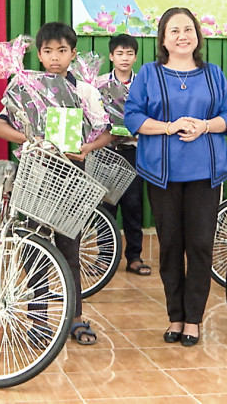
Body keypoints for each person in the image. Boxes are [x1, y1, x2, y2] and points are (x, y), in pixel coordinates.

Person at [0, 21, 112, 345]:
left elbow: (106, 132)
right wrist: (32, 139)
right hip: (35, 175)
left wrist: (86, 147)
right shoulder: (26, 87)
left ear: (74, 53)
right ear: (39, 55)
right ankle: (38, 317)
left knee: (69, 251)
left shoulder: (85, 90)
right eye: (48, 51)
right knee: (33, 249)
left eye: (62, 50)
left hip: (73, 176)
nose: (55, 57)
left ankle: (75, 317)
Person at [124, 7, 227, 347]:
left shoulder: (214, 73)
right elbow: (133, 117)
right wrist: (170, 127)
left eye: (188, 29)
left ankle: (194, 319)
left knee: (201, 245)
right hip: (162, 173)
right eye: (174, 31)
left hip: (206, 172)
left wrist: (205, 125)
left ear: (198, 36)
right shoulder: (148, 73)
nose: (182, 36)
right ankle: (175, 316)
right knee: (171, 245)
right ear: (162, 39)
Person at [95, 33, 148, 276]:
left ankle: (134, 257)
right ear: (111, 56)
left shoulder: (145, 84)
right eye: (120, 53)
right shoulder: (97, 84)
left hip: (135, 151)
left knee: (133, 205)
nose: (124, 58)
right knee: (104, 205)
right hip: (105, 152)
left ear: (136, 57)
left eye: (129, 53)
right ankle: (104, 257)